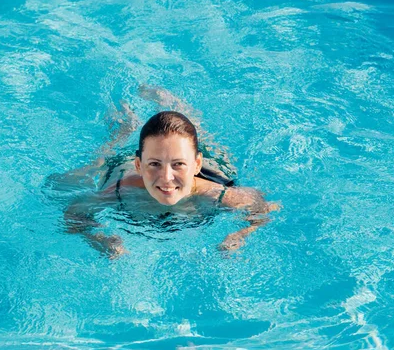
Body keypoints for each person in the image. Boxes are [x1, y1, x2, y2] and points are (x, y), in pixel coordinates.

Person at [56, 92, 278, 258]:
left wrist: (241, 234)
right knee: (102, 159)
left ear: (195, 164)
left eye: (178, 165)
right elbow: (74, 214)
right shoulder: (120, 191)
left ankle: (179, 109)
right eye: (154, 164)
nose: (166, 177)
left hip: (212, 171)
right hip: (123, 167)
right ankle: (124, 130)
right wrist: (100, 239)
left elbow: (263, 207)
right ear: (140, 165)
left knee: (207, 143)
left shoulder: (219, 195)